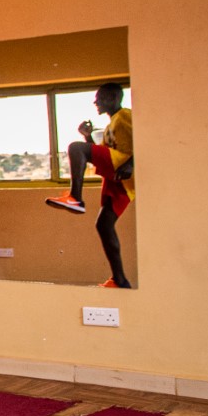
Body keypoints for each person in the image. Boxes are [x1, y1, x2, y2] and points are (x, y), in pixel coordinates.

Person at [46, 83, 134, 288]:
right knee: (104, 225)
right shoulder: (111, 125)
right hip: (117, 179)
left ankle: (76, 198)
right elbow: (97, 153)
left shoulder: (125, 116)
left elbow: (142, 141)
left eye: (100, 97)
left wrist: (130, 164)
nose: (96, 102)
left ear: (113, 98)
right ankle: (120, 280)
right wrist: (87, 136)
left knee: (75, 148)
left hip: (122, 167)